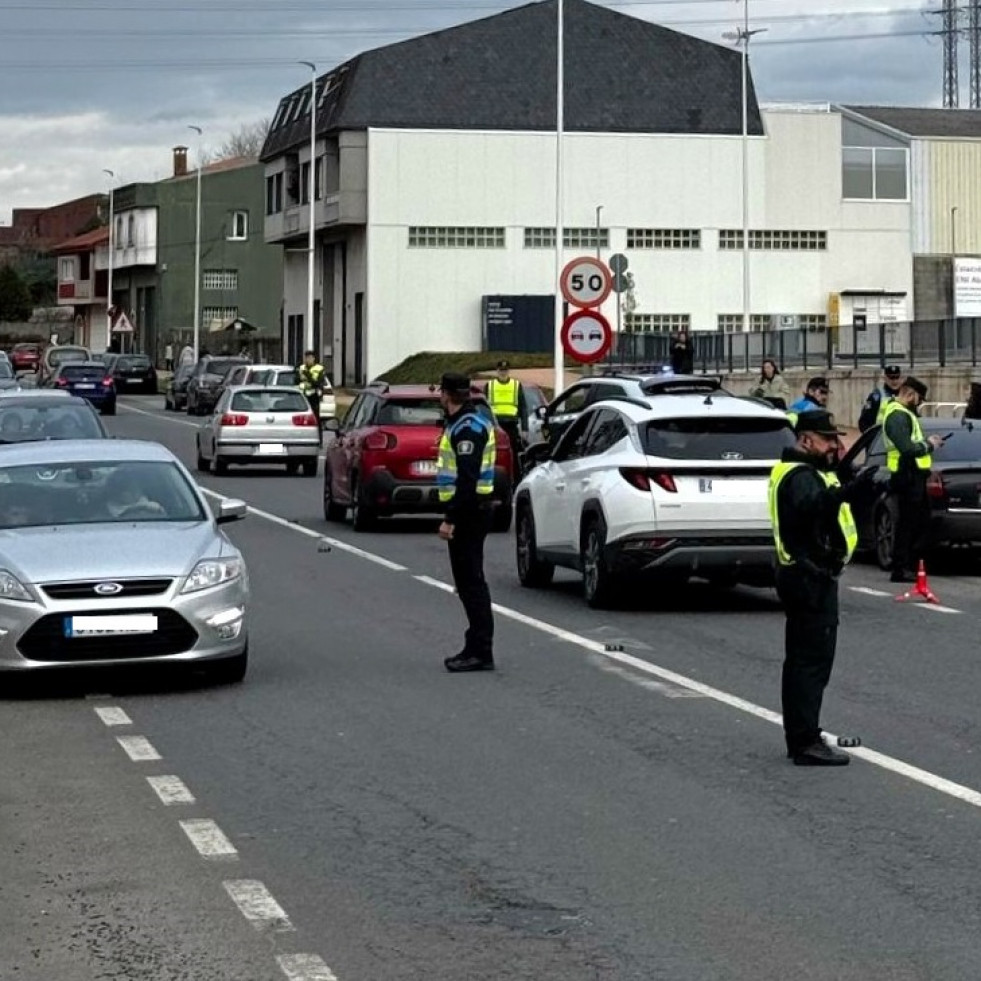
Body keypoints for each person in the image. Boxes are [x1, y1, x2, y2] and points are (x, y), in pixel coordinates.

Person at [768, 410, 859, 766]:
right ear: (806, 440)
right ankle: (805, 740)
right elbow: (812, 509)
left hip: (802, 574)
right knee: (811, 662)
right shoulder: (803, 476)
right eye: (827, 440)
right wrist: (847, 492)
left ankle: (803, 733)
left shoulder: (799, 471)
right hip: (810, 577)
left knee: (802, 660)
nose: (833, 446)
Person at [436, 372, 497, 673]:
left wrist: (450, 519)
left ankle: (480, 650)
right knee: (468, 583)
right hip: (473, 511)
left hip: (470, 513)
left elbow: (467, 479)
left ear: (446, 394)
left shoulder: (468, 429)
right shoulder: (467, 423)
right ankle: (475, 645)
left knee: (471, 583)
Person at [882, 377, 945, 583]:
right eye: (919, 398)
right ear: (910, 394)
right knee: (907, 523)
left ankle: (910, 565)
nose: (919, 403)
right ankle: (901, 567)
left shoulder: (904, 414)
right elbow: (907, 449)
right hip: (906, 474)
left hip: (913, 475)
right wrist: (929, 445)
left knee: (916, 522)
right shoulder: (897, 416)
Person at [485, 360, 523, 475]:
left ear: (509, 371)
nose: (503, 373)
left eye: (505, 370)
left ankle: (514, 479)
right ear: (497, 371)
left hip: (511, 425)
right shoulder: (490, 386)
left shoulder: (516, 385)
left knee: (513, 453)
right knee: (492, 452)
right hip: (495, 426)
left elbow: (523, 407)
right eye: (501, 370)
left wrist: (525, 428)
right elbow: (484, 407)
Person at [858, 364, 904, 432]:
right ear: (885, 378)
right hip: (880, 437)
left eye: (897, 377)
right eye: (891, 377)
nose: (894, 381)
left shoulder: (906, 396)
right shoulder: (876, 397)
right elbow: (864, 422)